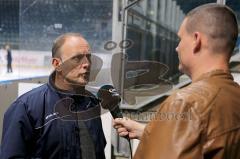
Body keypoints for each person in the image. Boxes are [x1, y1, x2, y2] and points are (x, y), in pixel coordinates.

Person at [114, 3, 240, 159]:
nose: (177, 48)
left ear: (196, 40)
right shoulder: (234, 95)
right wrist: (149, 133)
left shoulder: (185, 103)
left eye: (180, 39)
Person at [0, 33, 106, 159]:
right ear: (57, 64)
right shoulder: (25, 107)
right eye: (77, 58)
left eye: (88, 57)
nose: (87, 64)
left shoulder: (92, 103)